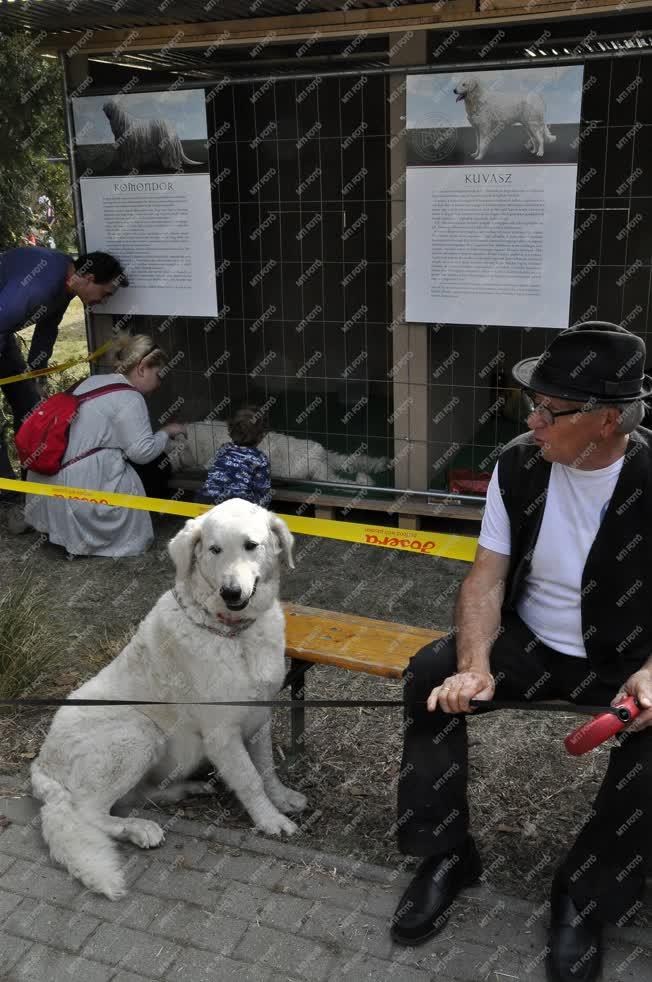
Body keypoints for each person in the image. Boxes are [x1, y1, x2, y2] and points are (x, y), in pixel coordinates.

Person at [390, 321, 652, 982]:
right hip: (532, 644)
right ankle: (447, 854)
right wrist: (474, 665)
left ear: (607, 419)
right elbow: (486, 576)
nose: (531, 420)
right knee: (430, 671)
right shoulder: (518, 462)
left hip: (628, 660)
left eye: (548, 409)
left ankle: (584, 896)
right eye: (531, 405)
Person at [23, 333, 186, 558]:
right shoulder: (130, 397)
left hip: (48, 488)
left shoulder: (93, 381)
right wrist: (166, 432)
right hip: (79, 494)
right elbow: (143, 453)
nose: (159, 384)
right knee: (156, 465)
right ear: (142, 368)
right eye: (159, 375)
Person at [0, 247, 127, 489]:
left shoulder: (67, 281)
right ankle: (6, 488)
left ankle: (31, 483)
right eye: (106, 292)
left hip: (3, 333)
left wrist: (39, 374)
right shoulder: (41, 285)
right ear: (89, 279)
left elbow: (47, 328)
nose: (105, 300)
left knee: (28, 405)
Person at [195, 406, 272, 508]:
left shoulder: (223, 449)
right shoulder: (260, 459)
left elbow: (212, 474)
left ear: (230, 431)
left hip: (206, 501)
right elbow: (263, 493)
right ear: (261, 435)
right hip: (237, 508)